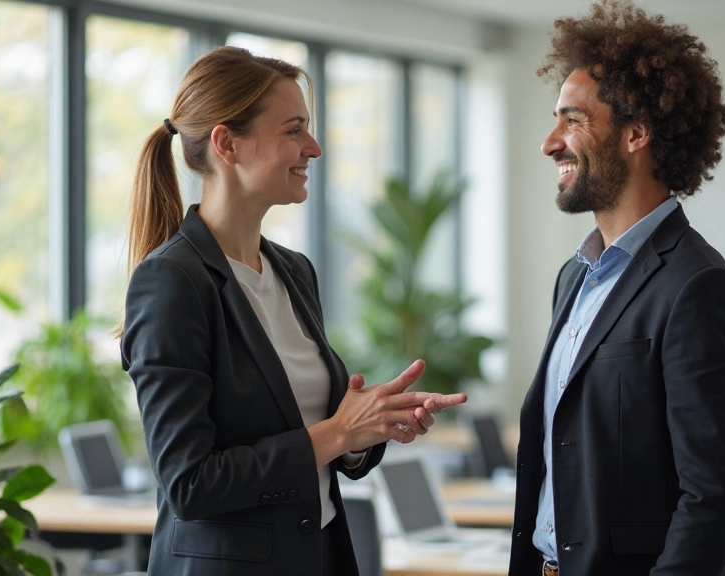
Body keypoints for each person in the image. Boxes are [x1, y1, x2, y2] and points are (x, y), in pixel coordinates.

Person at [120, 46, 466, 576]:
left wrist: (366, 430)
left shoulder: (293, 271)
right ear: (226, 144)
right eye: (293, 130)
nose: (315, 147)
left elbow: (312, 430)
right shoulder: (172, 281)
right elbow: (189, 483)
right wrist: (338, 434)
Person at [508, 2, 725, 575]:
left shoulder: (698, 287)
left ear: (637, 133)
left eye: (573, 120)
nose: (550, 143)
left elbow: (714, 499)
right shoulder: (574, 278)